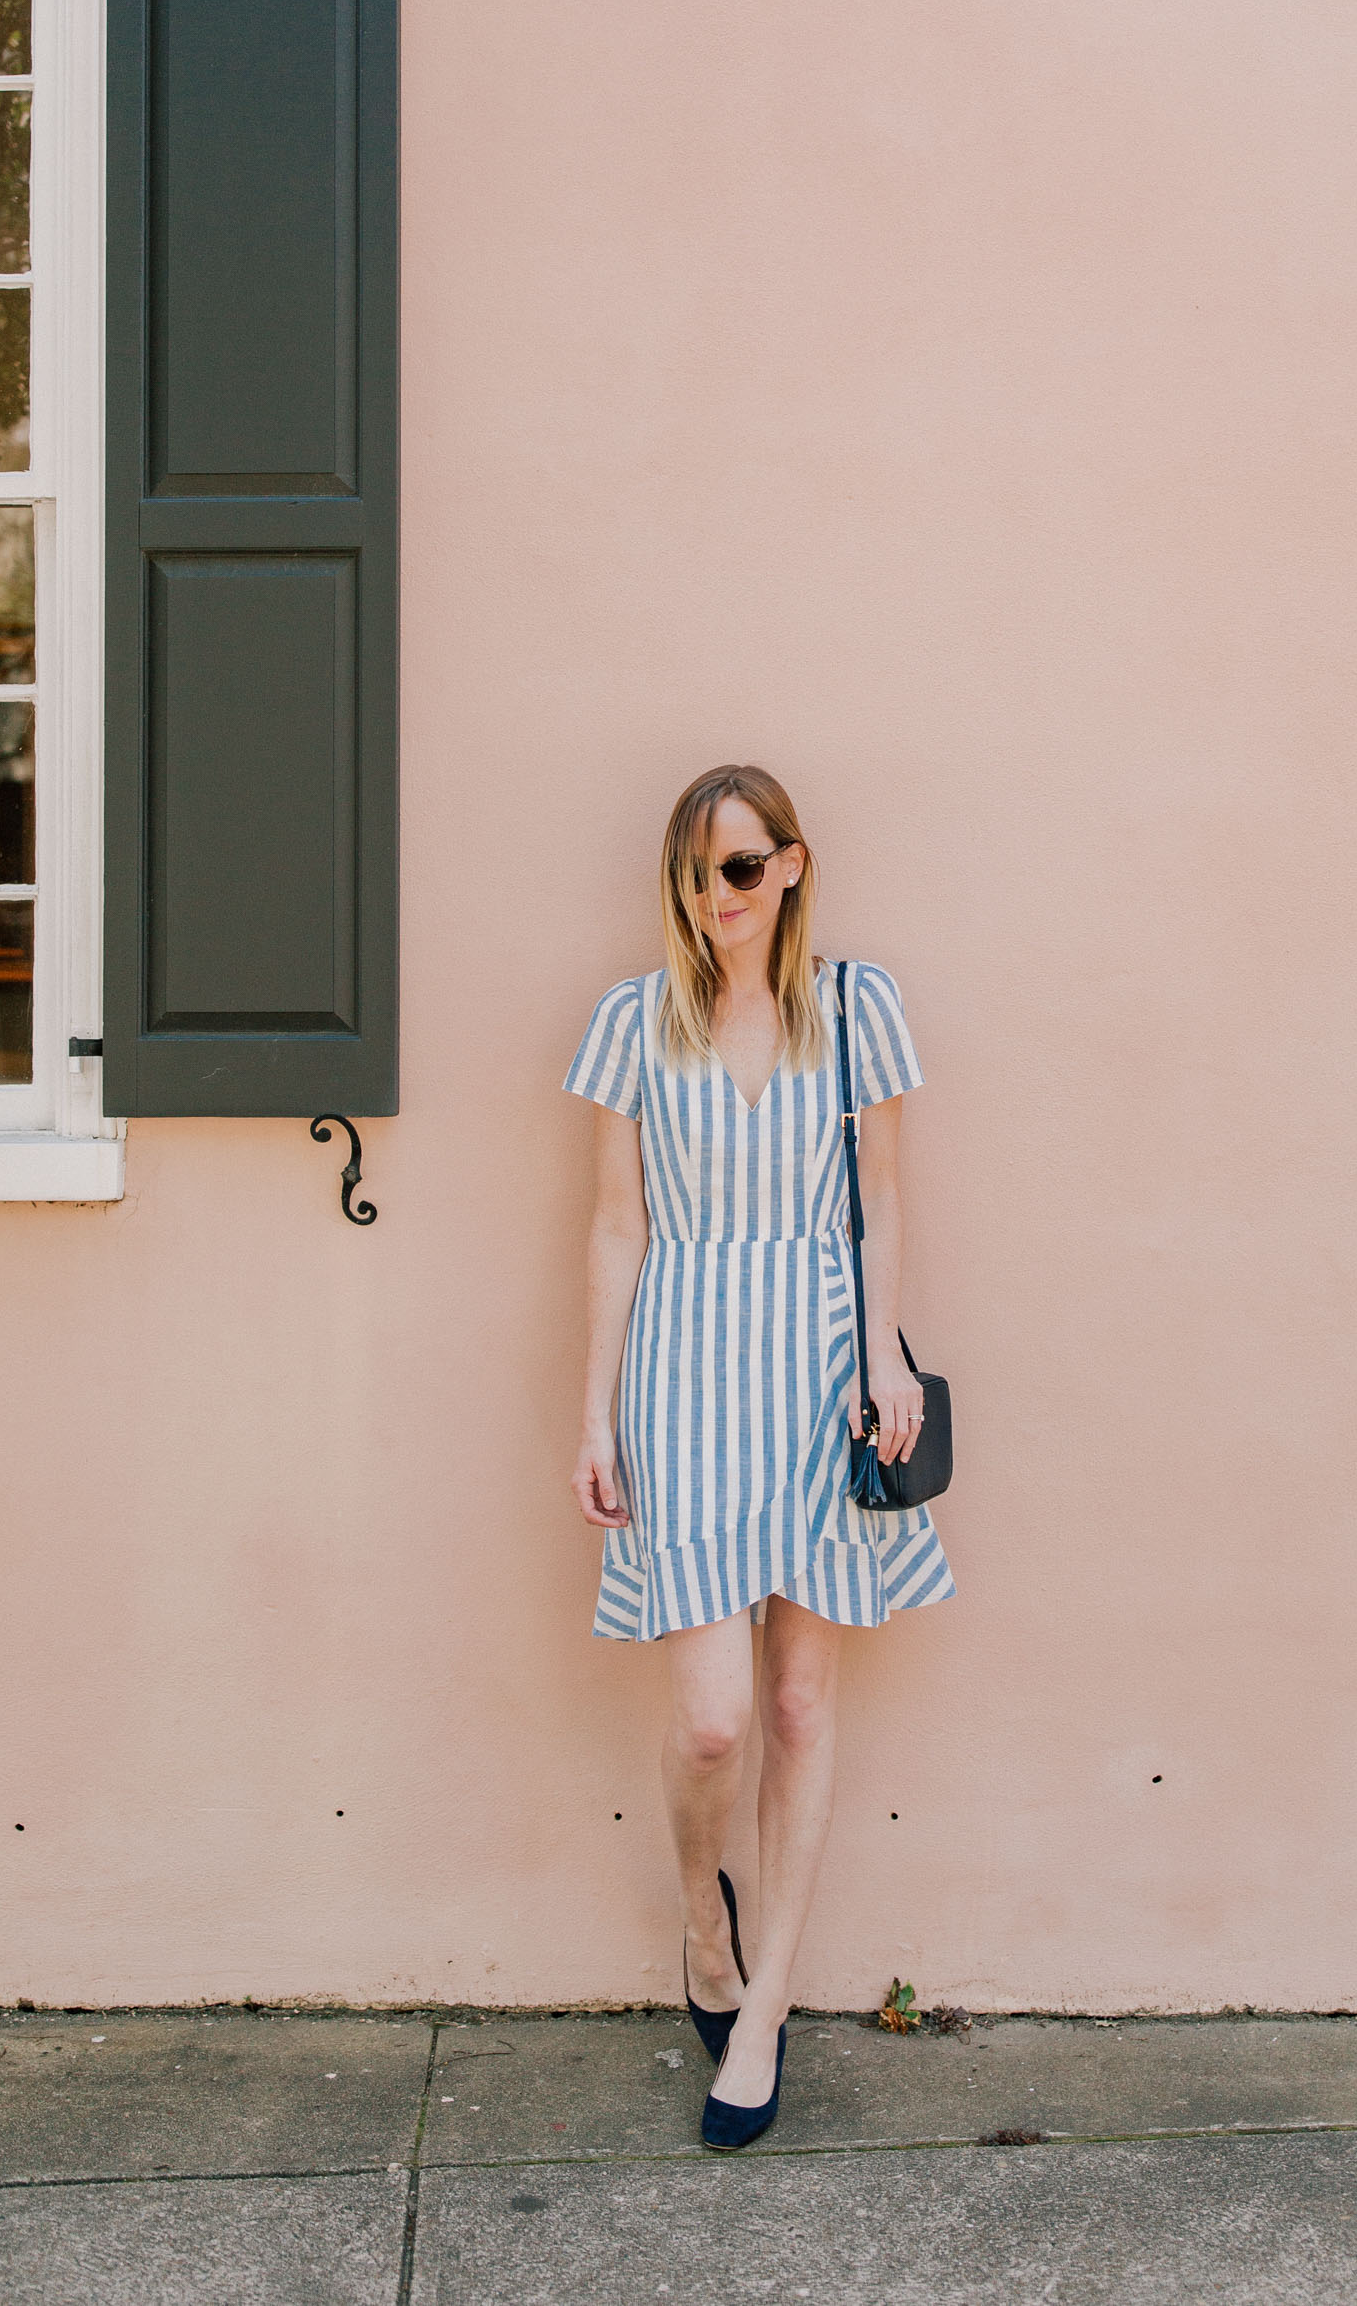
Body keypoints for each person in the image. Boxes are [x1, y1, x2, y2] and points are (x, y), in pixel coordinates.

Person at [565, 763, 954, 2149]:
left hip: (820, 1375)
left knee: (797, 1709)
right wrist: (595, 1409)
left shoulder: (858, 1010)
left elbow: (885, 1204)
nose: (712, 897)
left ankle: (768, 2008)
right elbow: (617, 1227)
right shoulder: (634, 1023)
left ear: (792, 865)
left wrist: (886, 1355)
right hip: (683, 1379)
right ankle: (701, 1925)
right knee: (715, 1718)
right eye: (693, 872)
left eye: (736, 868)